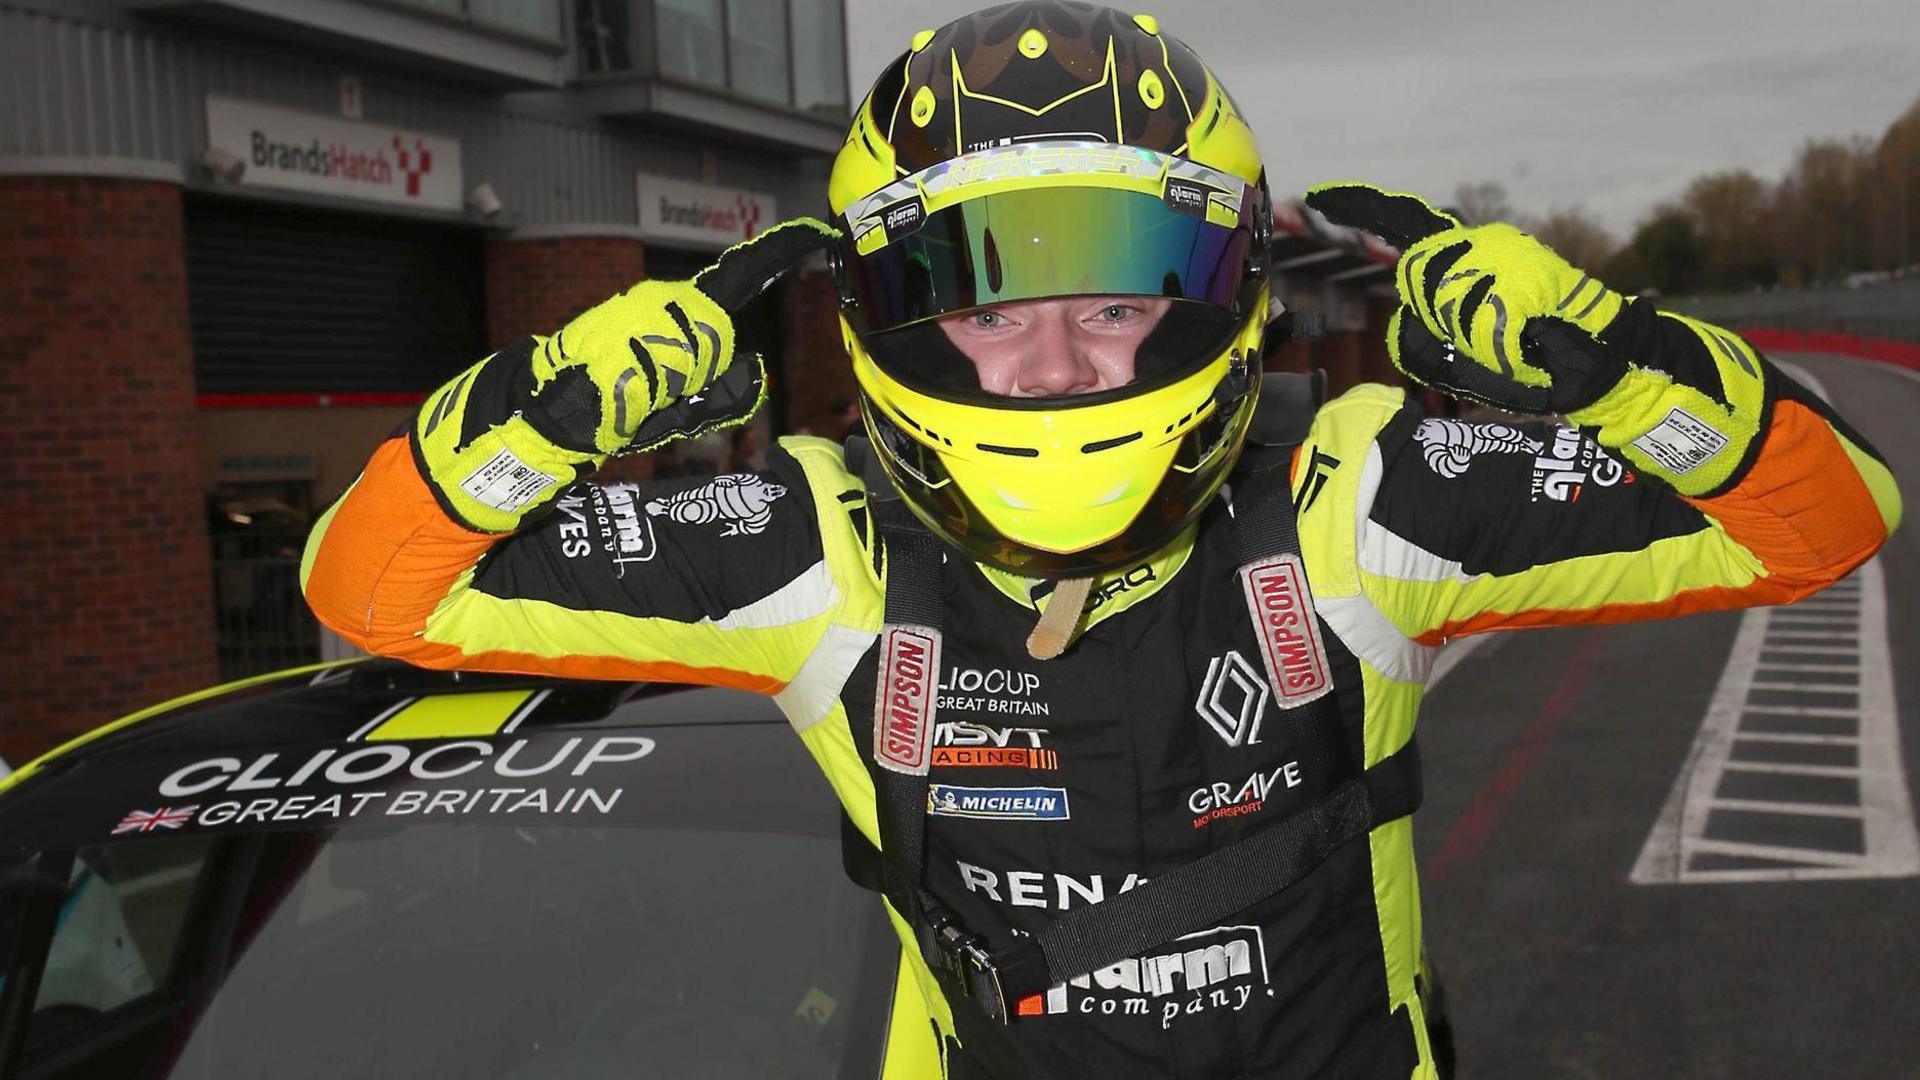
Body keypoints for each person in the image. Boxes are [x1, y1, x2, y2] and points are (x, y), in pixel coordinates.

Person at [300, 6, 1900, 1077]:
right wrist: (552, 406)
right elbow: (369, 587)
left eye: (1119, 305)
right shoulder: (811, 544)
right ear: (887, 315)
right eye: (993, 311)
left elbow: (1826, 517)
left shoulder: (1356, 501)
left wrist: (1610, 359)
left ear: (1218, 297)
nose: (1061, 370)